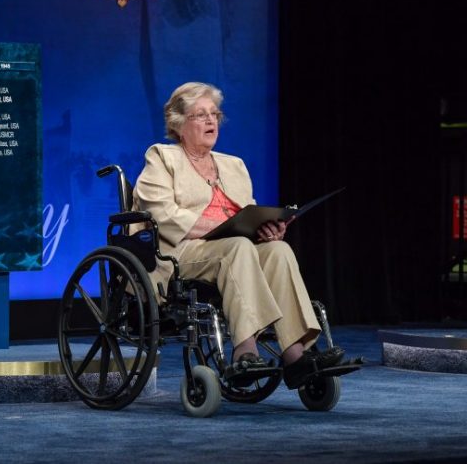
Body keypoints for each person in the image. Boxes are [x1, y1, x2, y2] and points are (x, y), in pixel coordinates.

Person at [132, 81, 345, 389]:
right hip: (179, 255)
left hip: (233, 249)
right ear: (179, 124)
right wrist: (227, 228)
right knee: (238, 247)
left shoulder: (234, 165)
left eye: (214, 114)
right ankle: (244, 350)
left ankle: (296, 355)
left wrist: (269, 229)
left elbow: (250, 214)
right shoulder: (162, 158)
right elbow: (164, 218)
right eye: (200, 115)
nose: (210, 121)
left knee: (278, 251)